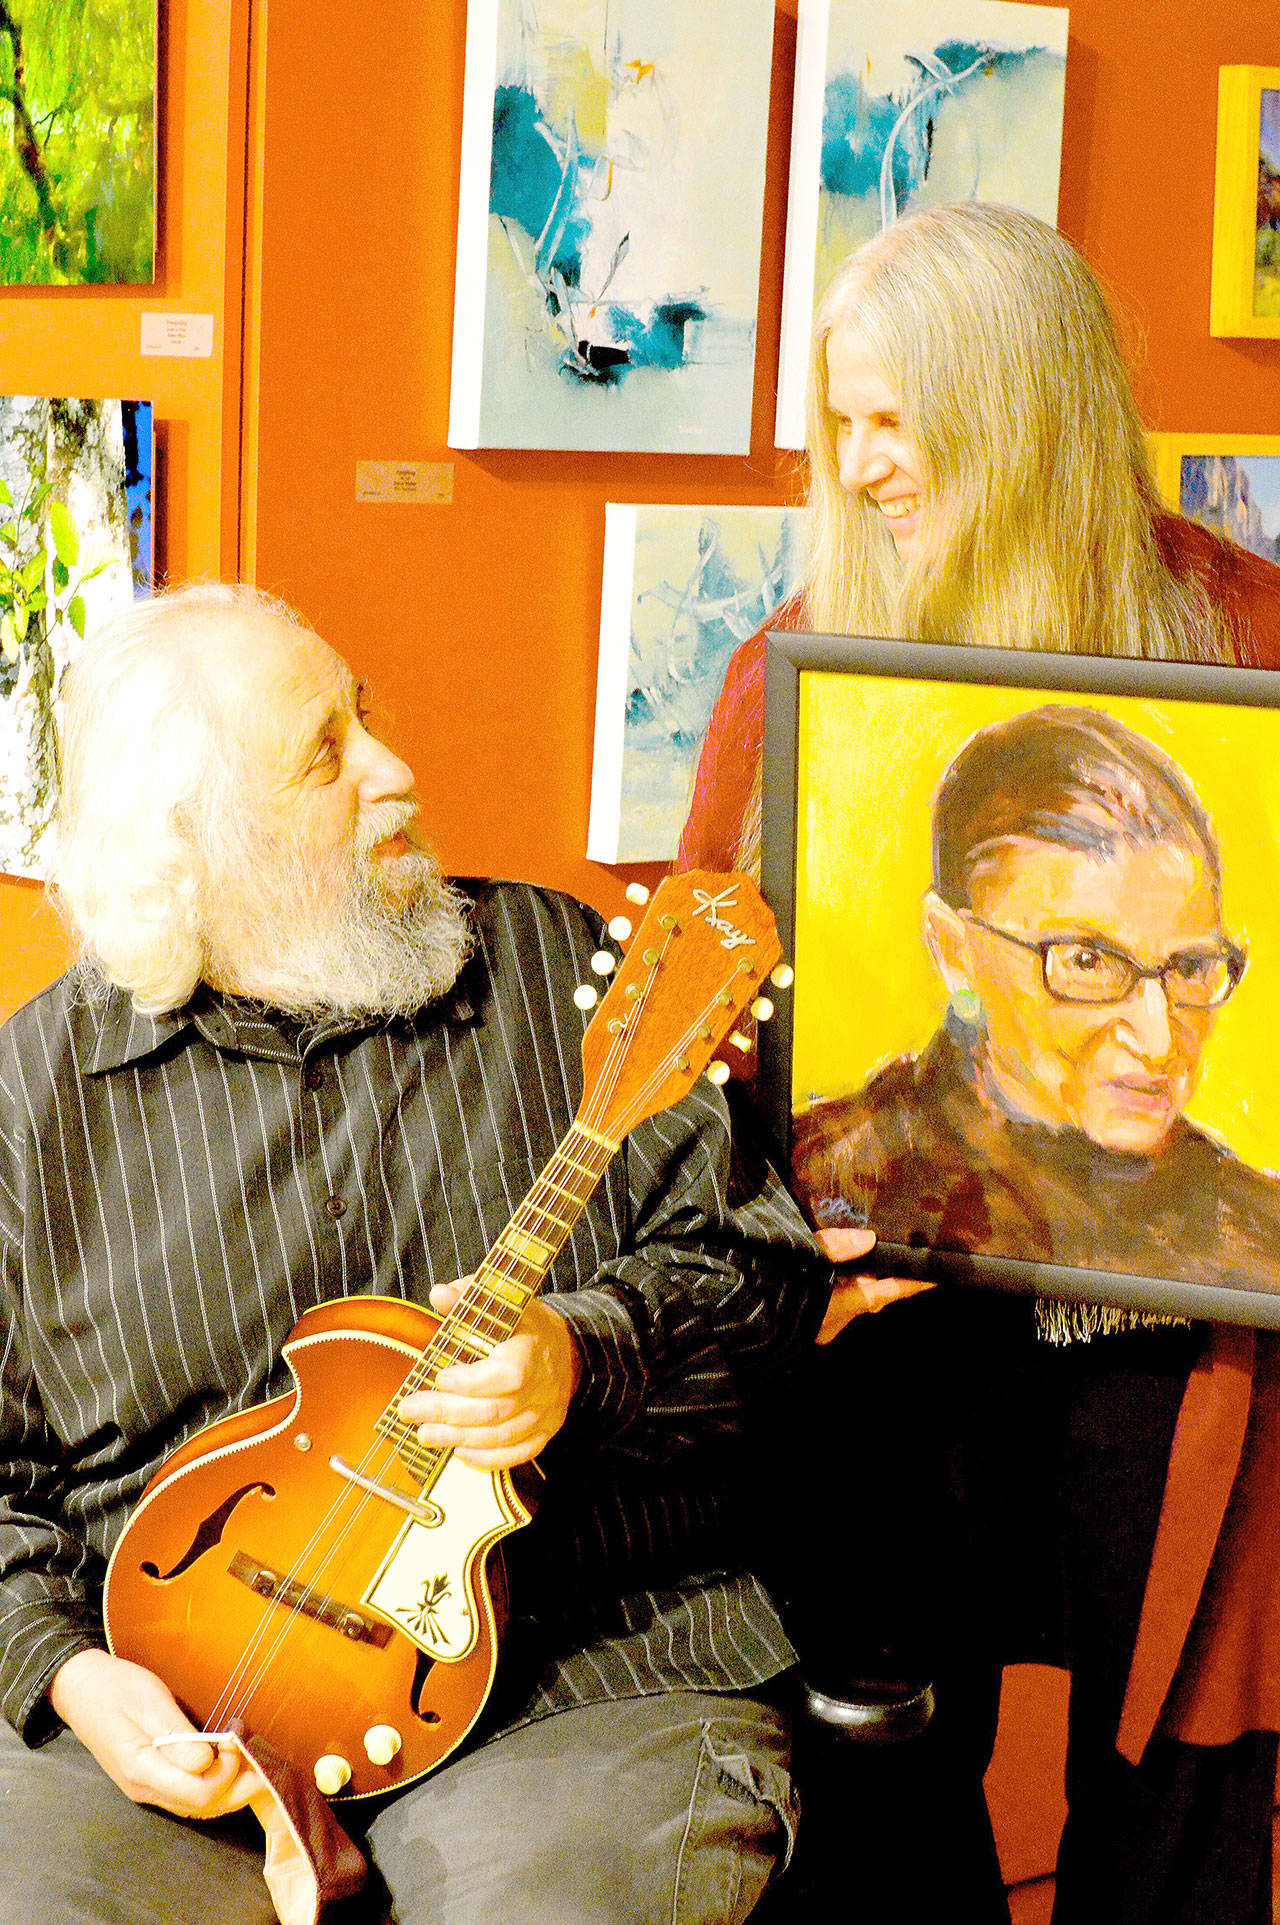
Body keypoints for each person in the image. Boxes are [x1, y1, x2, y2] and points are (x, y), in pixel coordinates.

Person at [0, 581, 832, 1925]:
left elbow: (766, 1277)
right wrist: (68, 1677)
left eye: (365, 715)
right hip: (169, 1699)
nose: (396, 769)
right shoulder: (35, 1099)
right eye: (324, 751)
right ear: (192, 843)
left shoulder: (561, 970)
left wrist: (584, 1355)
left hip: (579, 1680)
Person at [678, 203, 1280, 1925]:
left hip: (1187, 1349)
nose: (863, 465)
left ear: (1026, 413)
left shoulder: (1245, 635)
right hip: (896, 1334)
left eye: (901, 419)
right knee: (874, 1761)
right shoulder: (786, 665)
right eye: (841, 419)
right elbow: (709, 1031)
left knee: (1175, 1779)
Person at [796, 702, 1280, 1317]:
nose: (1159, 1040)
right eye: (1087, 962)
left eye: (1188, 968)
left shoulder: (1260, 1241)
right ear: (955, 951)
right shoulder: (819, 1193)